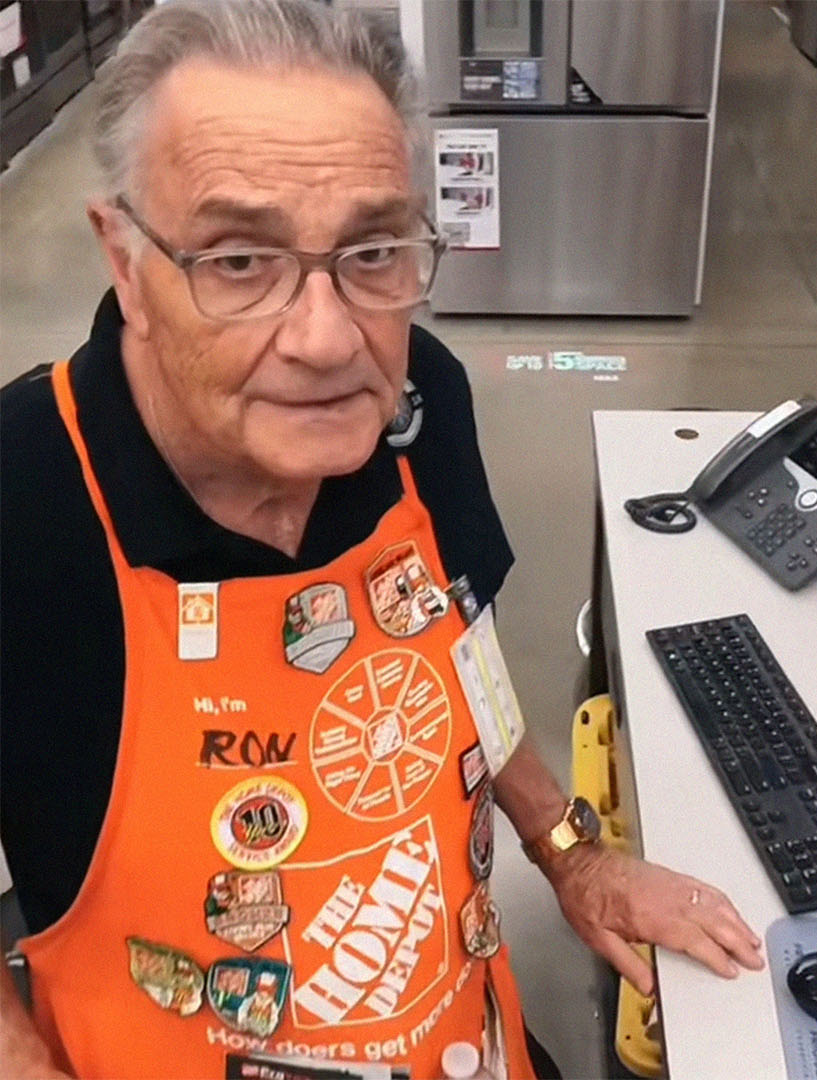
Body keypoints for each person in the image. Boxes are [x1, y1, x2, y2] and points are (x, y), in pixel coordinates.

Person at [0, 2, 763, 1077]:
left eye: (372, 251)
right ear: (125, 260)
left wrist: (575, 856)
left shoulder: (422, 407)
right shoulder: (22, 497)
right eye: (238, 261)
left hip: (461, 1038)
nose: (325, 339)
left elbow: (464, 652)